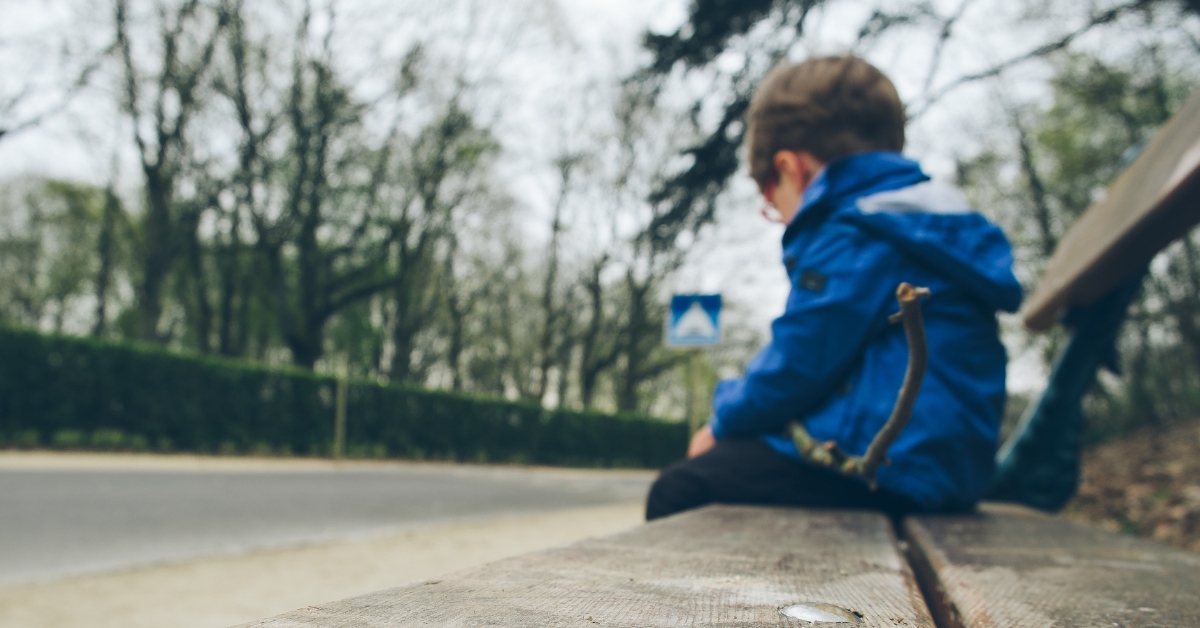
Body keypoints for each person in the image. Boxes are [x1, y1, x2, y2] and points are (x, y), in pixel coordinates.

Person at [645, 55, 1022, 521]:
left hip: (887, 469)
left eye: (771, 201)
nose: (779, 217)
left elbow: (798, 364)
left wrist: (720, 423)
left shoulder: (856, 231)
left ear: (790, 168)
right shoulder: (925, 224)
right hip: (945, 469)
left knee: (682, 489)